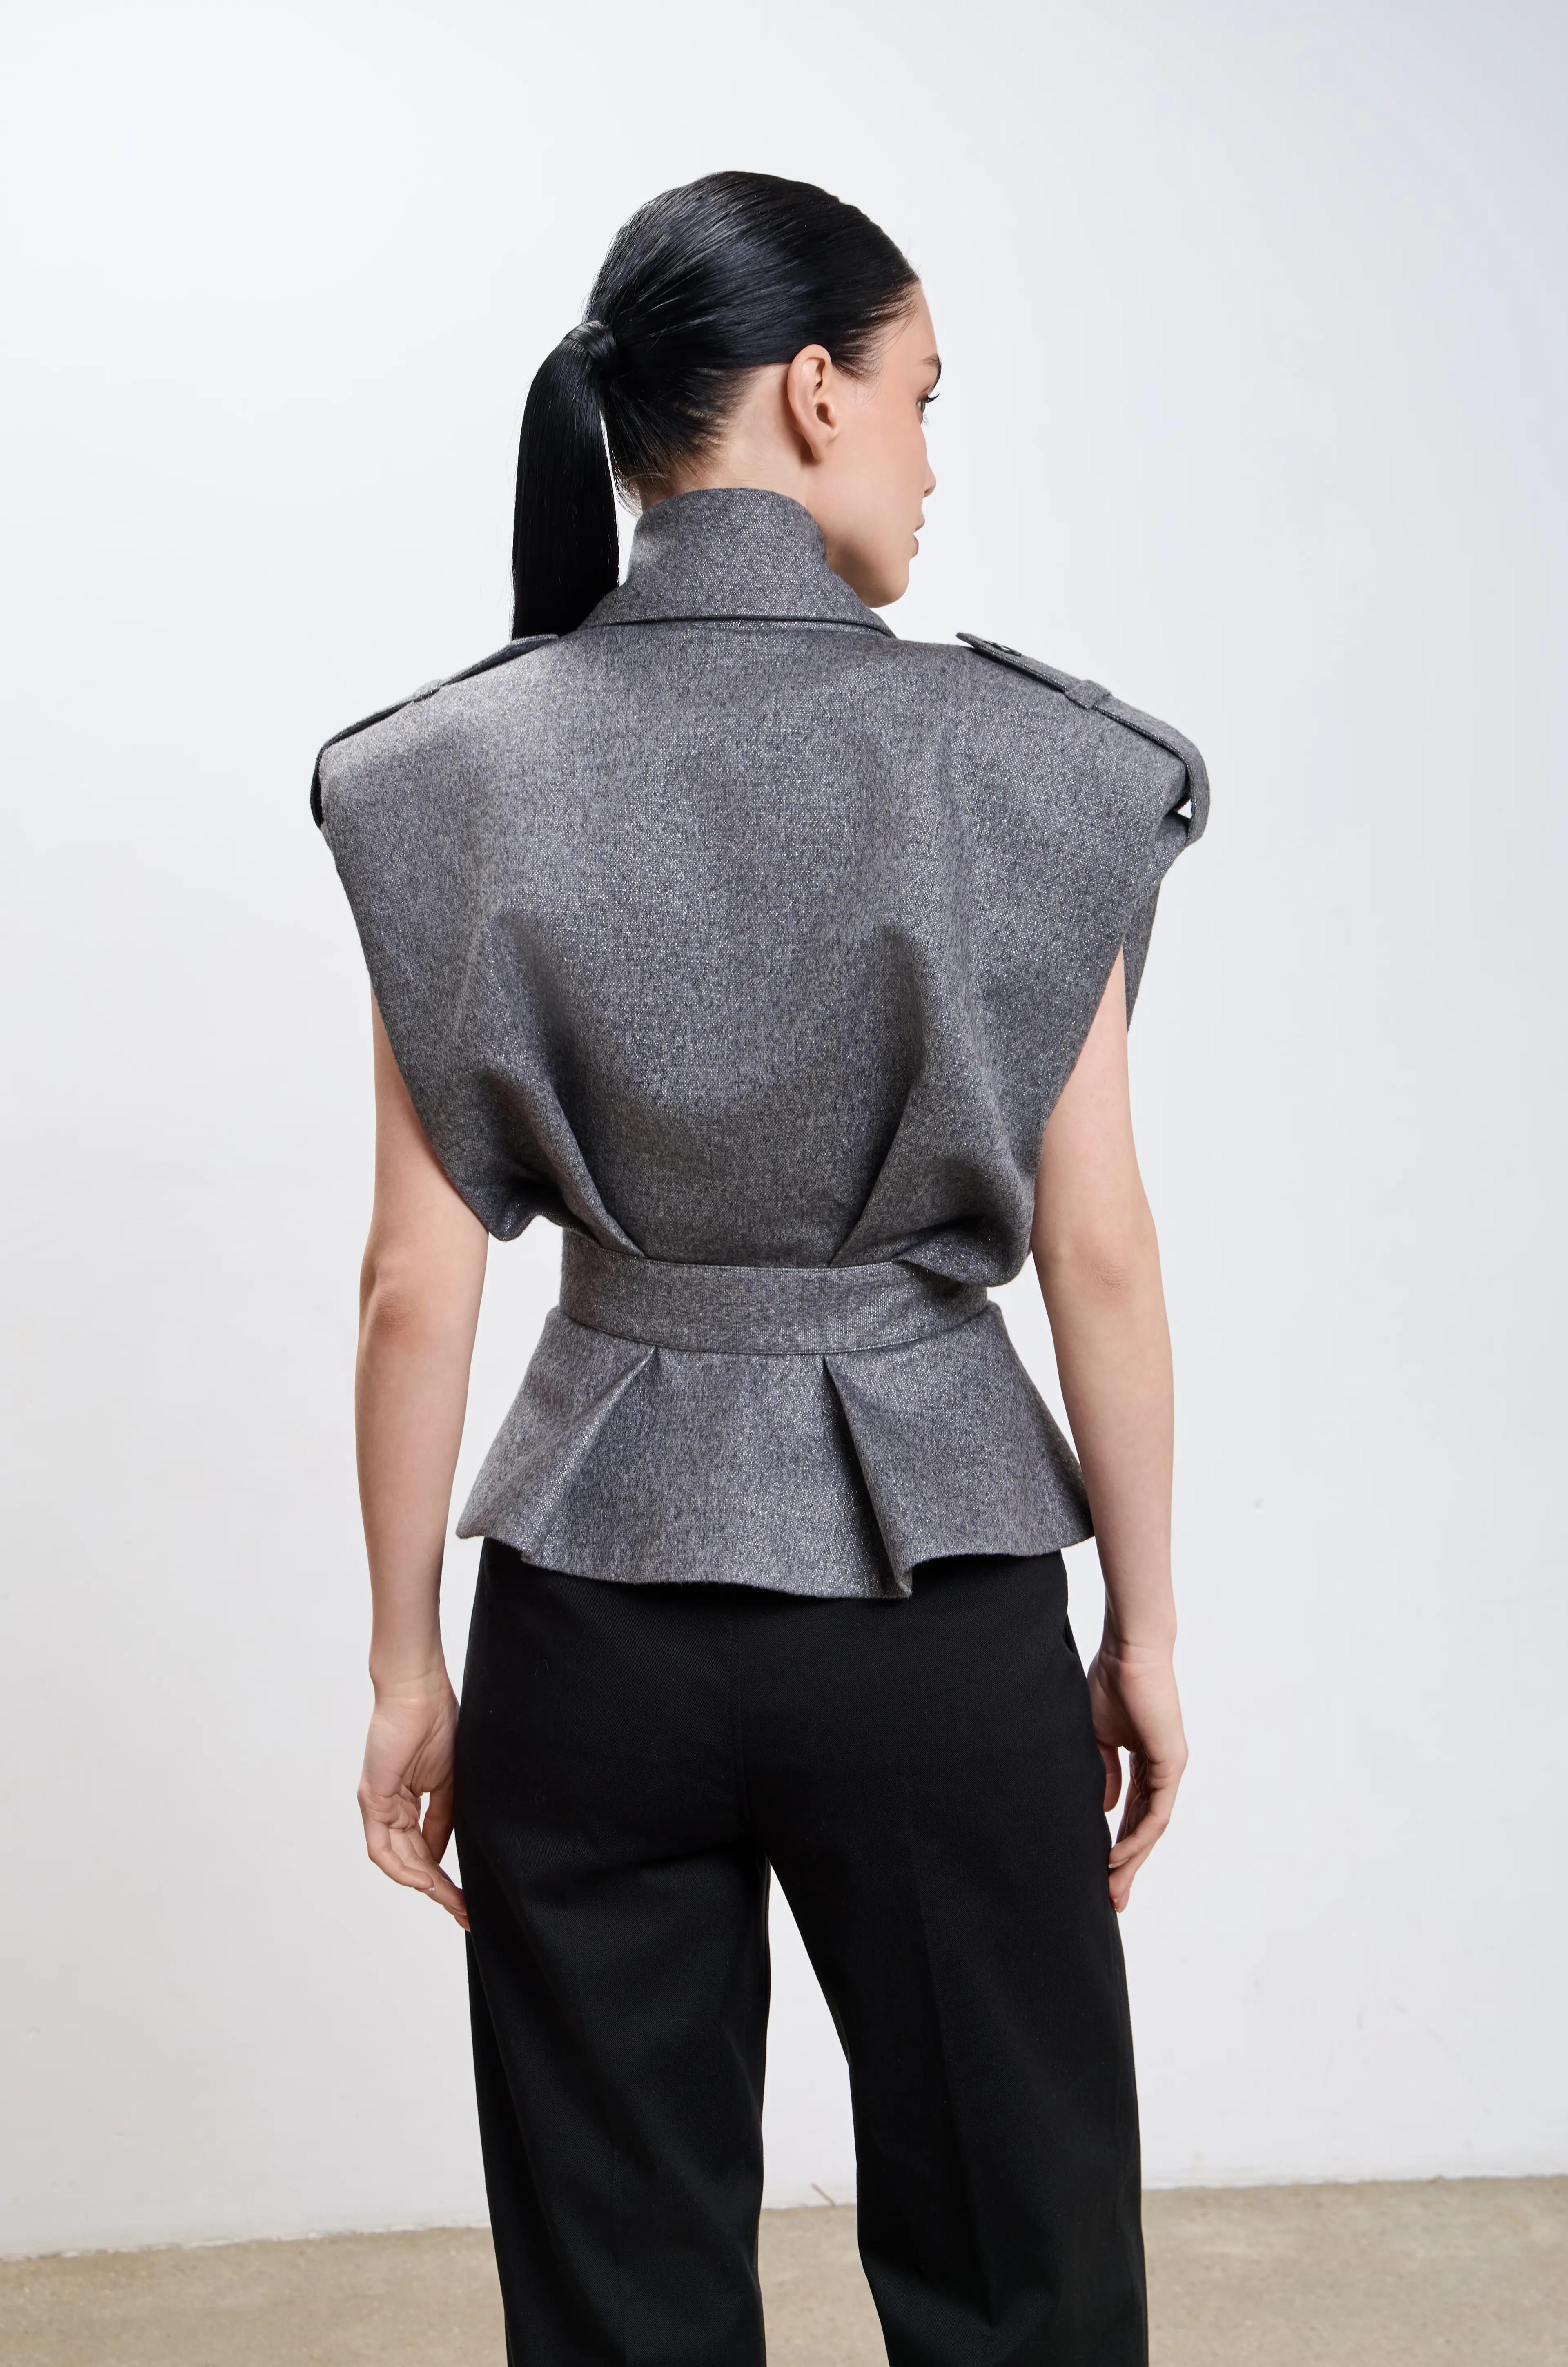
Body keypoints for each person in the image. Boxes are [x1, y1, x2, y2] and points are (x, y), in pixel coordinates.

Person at [312, 169, 1208, 2367]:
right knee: (1020, 2274)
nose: (932, 459)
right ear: (817, 393)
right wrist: (1148, 1627)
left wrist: (409, 1662)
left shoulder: (442, 772)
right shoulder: (1038, 766)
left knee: (615, 2292)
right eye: (922, 397)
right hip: (942, 1607)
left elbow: (415, 1285)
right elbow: (1097, 1249)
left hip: (586, 1619)